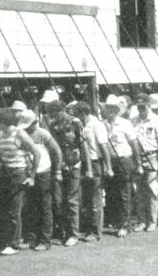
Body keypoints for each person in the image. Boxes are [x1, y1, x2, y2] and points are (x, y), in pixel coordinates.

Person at [45, 95, 88, 247]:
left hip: (74, 163)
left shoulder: (75, 122)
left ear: (62, 110)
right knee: (59, 200)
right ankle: (63, 229)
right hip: (59, 165)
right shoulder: (53, 124)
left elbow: (83, 145)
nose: (53, 117)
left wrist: (87, 167)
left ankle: (73, 233)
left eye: (55, 113)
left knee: (72, 200)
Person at [0, 108, 37, 255]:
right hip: (6, 173)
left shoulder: (19, 133)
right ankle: (4, 241)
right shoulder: (0, 134)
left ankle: (14, 243)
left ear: (2, 122)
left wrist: (32, 176)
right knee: (5, 209)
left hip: (18, 173)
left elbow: (36, 153)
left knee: (14, 210)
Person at [102, 94, 141, 238]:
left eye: (113, 108)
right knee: (112, 193)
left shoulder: (125, 123)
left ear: (117, 110)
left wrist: (138, 163)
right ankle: (116, 221)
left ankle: (125, 224)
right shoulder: (103, 124)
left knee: (124, 193)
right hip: (110, 161)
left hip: (124, 159)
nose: (110, 111)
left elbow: (134, 144)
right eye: (108, 108)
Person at [22, 109, 61, 250]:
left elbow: (56, 151)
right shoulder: (23, 134)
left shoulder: (43, 134)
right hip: (29, 173)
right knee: (32, 206)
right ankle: (33, 237)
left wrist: (57, 170)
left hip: (44, 172)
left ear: (34, 123)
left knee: (45, 206)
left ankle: (45, 240)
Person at [130, 94, 158, 231]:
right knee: (139, 191)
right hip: (138, 158)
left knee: (152, 191)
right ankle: (141, 220)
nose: (140, 109)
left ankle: (152, 221)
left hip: (153, 157)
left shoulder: (156, 120)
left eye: (143, 106)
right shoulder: (133, 121)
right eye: (138, 106)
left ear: (148, 105)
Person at [76, 101, 111, 242]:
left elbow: (104, 147)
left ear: (84, 112)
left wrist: (108, 167)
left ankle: (96, 231)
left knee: (95, 199)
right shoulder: (83, 125)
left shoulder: (97, 125)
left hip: (96, 162)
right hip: (85, 163)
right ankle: (88, 228)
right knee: (87, 199)